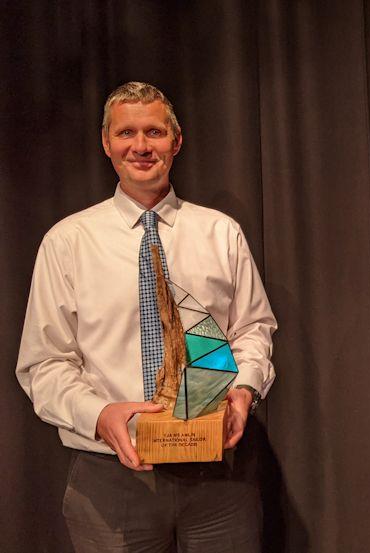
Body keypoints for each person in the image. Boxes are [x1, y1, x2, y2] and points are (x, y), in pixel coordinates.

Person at [16, 81, 277, 552]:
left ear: (176, 142)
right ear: (106, 143)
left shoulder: (220, 233)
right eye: (126, 133)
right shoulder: (67, 242)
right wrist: (99, 415)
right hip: (110, 480)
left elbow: (252, 330)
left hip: (218, 473)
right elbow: (44, 363)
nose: (140, 145)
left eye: (154, 131)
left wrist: (243, 390)